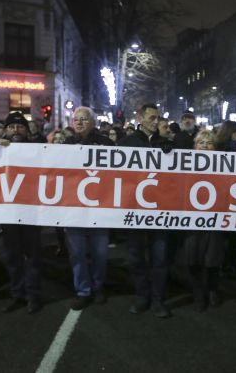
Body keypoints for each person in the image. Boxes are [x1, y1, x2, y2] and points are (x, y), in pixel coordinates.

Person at [117, 103, 173, 318]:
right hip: (134, 212)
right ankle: (142, 297)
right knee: (137, 257)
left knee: (159, 259)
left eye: (157, 118)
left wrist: (171, 154)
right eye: (151, 118)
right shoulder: (125, 144)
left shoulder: (165, 144)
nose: (155, 122)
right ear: (140, 118)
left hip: (160, 213)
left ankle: (158, 300)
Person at [63, 106, 115, 310]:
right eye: (76, 119)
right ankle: (83, 290)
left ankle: (98, 285)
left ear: (92, 122)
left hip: (99, 208)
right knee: (77, 252)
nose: (79, 122)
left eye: (84, 119)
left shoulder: (107, 144)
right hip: (73, 208)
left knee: (100, 252)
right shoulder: (65, 145)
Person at [0, 112, 43, 314]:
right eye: (12, 127)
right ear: (6, 130)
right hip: (9, 213)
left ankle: (33, 295)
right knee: (13, 256)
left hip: (32, 211)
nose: (16, 130)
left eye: (20, 126)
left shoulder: (38, 149)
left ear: (27, 130)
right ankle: (17, 294)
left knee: (32, 257)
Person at [177, 130, 225, 311]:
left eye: (209, 143)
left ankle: (212, 289)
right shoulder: (184, 165)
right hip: (191, 219)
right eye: (201, 142)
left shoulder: (224, 166)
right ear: (194, 146)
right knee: (193, 257)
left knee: (212, 258)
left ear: (215, 147)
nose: (204, 146)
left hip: (215, 218)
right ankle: (198, 294)